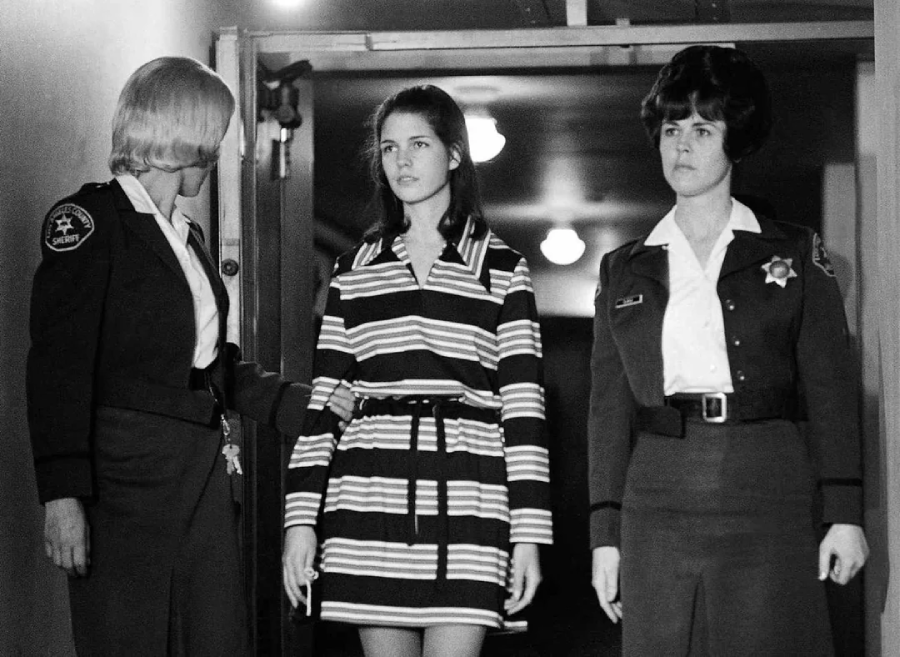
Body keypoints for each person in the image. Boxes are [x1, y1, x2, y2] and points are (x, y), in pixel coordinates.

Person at [27, 56, 353, 656]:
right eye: (215, 137)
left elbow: (210, 367)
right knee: (127, 640)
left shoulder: (186, 236)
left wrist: (304, 406)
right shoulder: (90, 222)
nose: (219, 151)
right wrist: (62, 496)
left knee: (216, 640)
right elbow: (56, 370)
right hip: (120, 480)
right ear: (187, 136)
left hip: (199, 469)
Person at [587, 45, 868, 655]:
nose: (682, 147)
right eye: (671, 130)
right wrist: (604, 535)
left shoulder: (794, 253)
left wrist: (845, 512)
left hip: (768, 483)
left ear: (734, 140)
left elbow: (830, 386)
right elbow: (607, 411)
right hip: (657, 492)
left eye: (702, 130)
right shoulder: (623, 268)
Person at [282, 84, 553, 657]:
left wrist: (529, 534)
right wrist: (300, 520)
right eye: (389, 148)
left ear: (454, 154)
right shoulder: (355, 269)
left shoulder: (502, 269)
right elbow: (325, 404)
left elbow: (525, 414)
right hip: (369, 496)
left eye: (419, 144)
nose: (401, 161)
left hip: (471, 501)